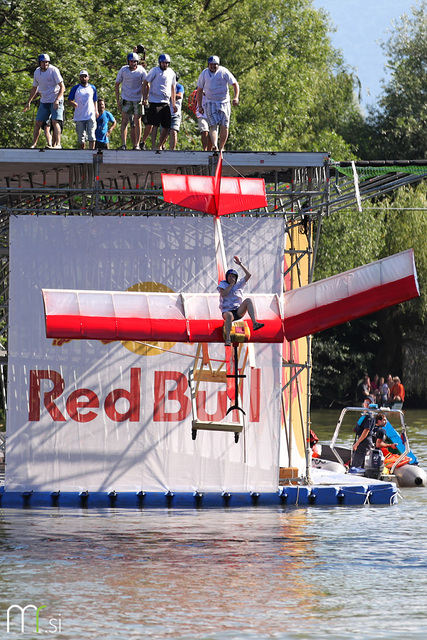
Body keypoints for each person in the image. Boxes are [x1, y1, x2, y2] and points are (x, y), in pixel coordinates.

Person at [217, 256, 264, 346]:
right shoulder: (223, 284)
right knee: (229, 315)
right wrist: (230, 285)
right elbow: (223, 294)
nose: (231, 278)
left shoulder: (239, 284)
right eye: (230, 276)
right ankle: (228, 339)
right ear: (227, 277)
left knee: (248, 300)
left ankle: (254, 323)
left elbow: (249, 275)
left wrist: (240, 264)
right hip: (227, 312)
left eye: (233, 276)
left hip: (238, 311)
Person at [196, 55, 239, 152]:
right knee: (213, 125)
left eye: (215, 65)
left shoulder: (224, 72)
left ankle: (221, 147)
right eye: (211, 65)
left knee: (225, 124)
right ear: (208, 65)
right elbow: (199, 90)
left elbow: (235, 84)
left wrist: (236, 97)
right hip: (210, 101)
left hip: (224, 101)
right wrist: (199, 106)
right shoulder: (204, 74)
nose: (213, 67)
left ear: (218, 65)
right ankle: (215, 145)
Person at [24, 53, 65, 149]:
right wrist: (29, 101)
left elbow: (62, 87)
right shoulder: (37, 72)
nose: (45, 64)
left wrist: (57, 100)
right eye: (43, 62)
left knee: (55, 121)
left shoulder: (53, 70)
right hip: (44, 101)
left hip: (55, 99)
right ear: (39, 63)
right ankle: (34, 144)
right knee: (38, 122)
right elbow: (34, 88)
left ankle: (58, 144)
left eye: (47, 62)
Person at [141, 53, 177, 150]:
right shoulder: (155, 71)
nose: (165, 65)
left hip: (165, 103)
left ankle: (160, 145)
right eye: (163, 63)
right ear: (160, 62)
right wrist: (145, 97)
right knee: (155, 124)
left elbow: (173, 88)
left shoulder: (171, 73)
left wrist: (173, 103)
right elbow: (145, 82)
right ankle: (153, 145)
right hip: (155, 101)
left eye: (166, 63)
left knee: (166, 125)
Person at [115, 53, 147, 150]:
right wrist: (118, 101)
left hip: (138, 99)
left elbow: (147, 84)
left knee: (138, 121)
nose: (132, 63)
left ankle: (136, 144)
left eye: (134, 61)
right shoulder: (123, 70)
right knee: (124, 121)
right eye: (131, 61)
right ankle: (124, 144)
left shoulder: (141, 70)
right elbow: (117, 85)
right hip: (126, 98)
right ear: (128, 62)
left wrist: (145, 98)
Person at [68, 70, 98, 150]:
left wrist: (96, 110)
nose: (83, 78)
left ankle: (91, 151)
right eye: (82, 77)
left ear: (88, 77)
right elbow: (69, 100)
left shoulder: (92, 88)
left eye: (85, 76)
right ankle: (83, 152)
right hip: (80, 115)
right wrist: (73, 103)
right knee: (81, 137)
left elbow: (95, 100)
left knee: (91, 135)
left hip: (90, 114)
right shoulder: (76, 88)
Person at [352, 403, 375, 468]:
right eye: (365, 402)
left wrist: (357, 443)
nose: (366, 404)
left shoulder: (369, 417)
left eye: (368, 403)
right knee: (357, 458)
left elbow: (366, 431)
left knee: (359, 460)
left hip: (365, 441)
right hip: (362, 439)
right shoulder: (365, 416)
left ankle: (357, 470)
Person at [168, 72, 184, 150]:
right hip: (166, 112)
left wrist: (170, 95)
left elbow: (179, 96)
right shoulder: (166, 86)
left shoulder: (179, 87)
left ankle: (172, 150)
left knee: (174, 131)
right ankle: (161, 147)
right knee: (164, 134)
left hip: (176, 113)